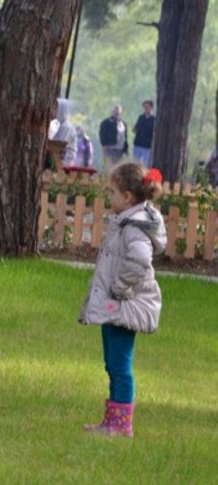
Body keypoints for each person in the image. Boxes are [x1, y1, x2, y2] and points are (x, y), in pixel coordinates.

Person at [79, 163, 166, 437]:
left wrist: (120, 288)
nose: (110, 198)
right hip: (114, 304)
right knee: (112, 364)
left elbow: (140, 261)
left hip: (124, 305)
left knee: (120, 365)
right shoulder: (127, 221)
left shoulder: (135, 227)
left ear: (128, 197)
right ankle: (112, 422)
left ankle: (120, 425)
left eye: (112, 193)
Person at [52, 98, 77, 166]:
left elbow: (57, 146)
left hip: (65, 163)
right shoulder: (57, 125)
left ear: (61, 110)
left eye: (55, 109)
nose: (52, 111)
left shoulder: (66, 127)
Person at [132, 100, 155, 168]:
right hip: (138, 144)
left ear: (151, 108)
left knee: (145, 164)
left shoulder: (154, 119)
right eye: (144, 107)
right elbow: (135, 129)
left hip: (147, 146)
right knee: (135, 164)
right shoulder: (141, 117)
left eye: (147, 107)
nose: (145, 109)